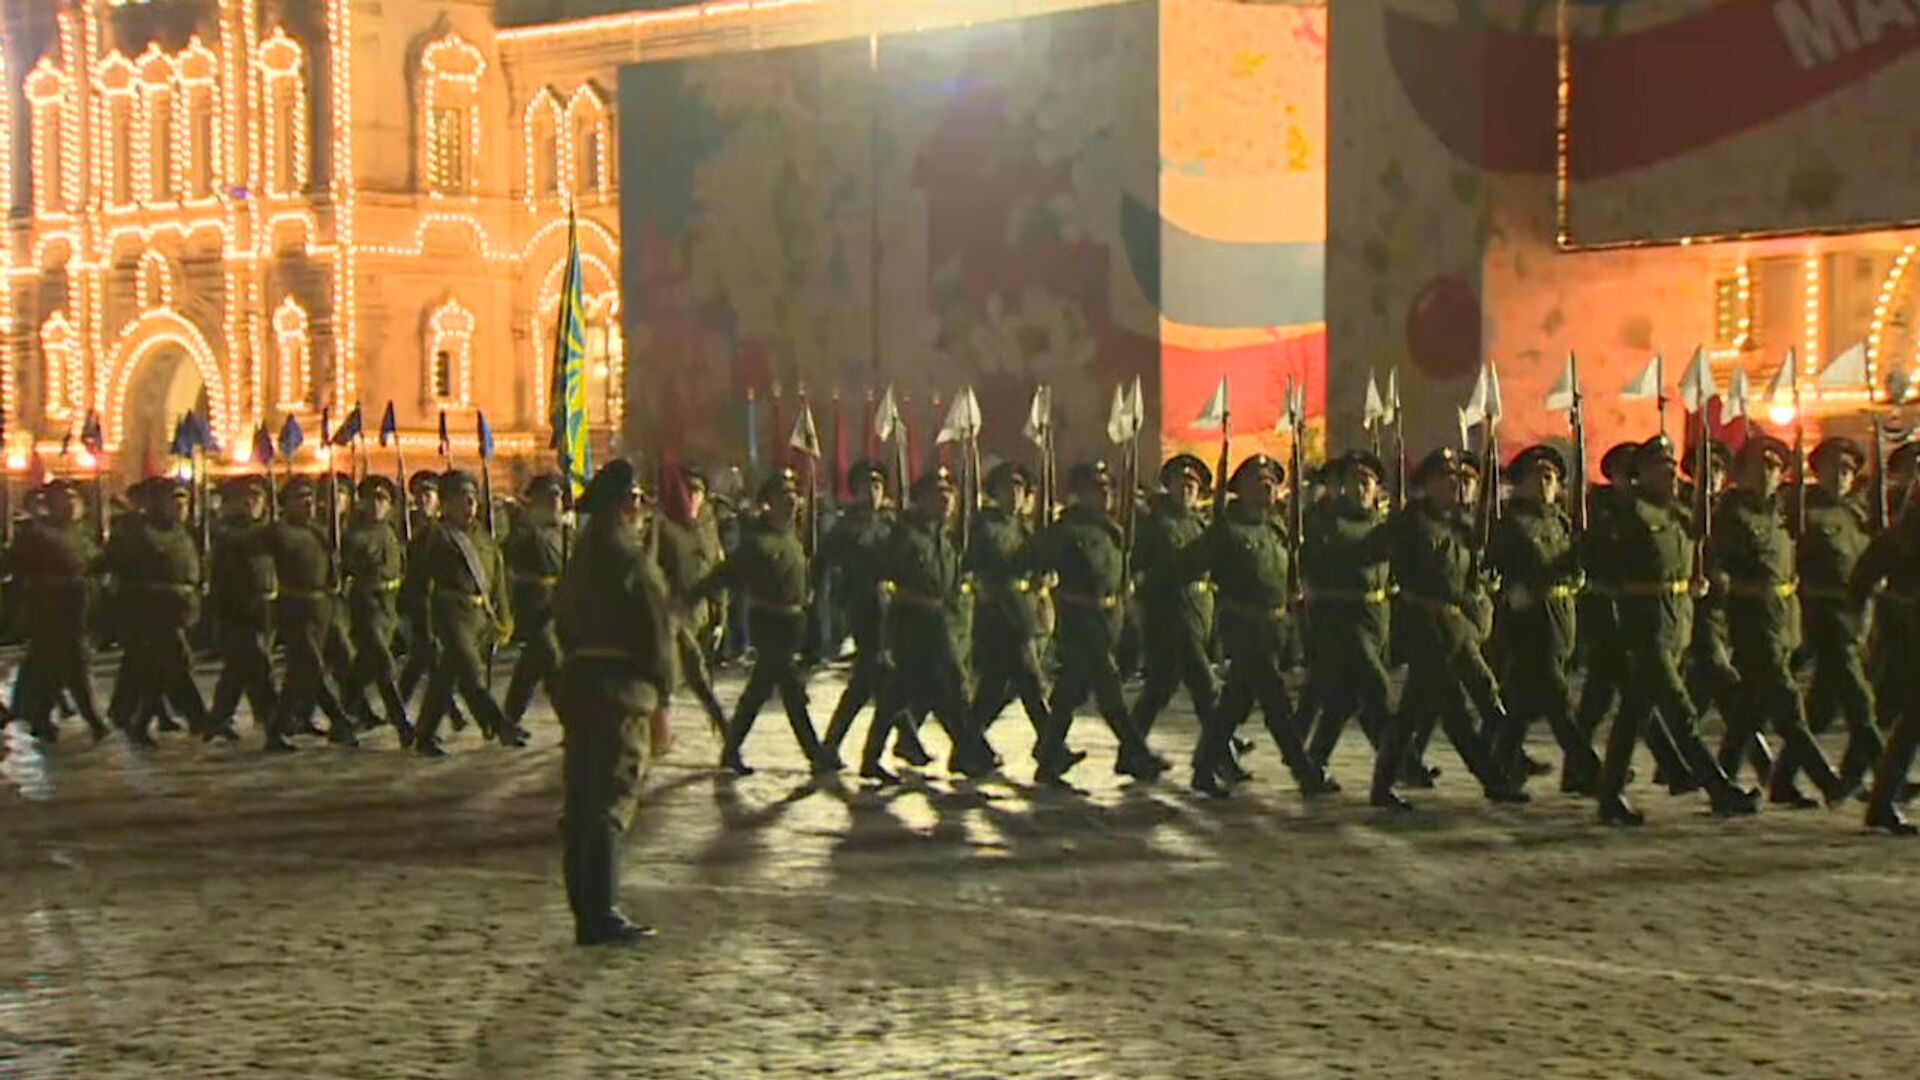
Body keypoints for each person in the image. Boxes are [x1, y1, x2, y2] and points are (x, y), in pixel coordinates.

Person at [1593, 437, 1759, 825]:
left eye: (1671, 467)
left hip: (1675, 628)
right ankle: (1720, 790)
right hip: (1646, 630)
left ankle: (1609, 796)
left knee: (1633, 715)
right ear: (1641, 475)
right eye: (1658, 468)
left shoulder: (1680, 517)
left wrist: (1695, 584)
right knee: (1681, 714)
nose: (1669, 473)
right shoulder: (1628, 516)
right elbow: (1599, 559)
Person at [554, 459, 675, 945]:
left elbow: (560, 619)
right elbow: (657, 635)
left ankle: (585, 906)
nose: (642, 510)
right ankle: (601, 912)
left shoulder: (581, 558)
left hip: (581, 682)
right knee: (611, 798)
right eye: (638, 501)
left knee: (581, 799)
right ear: (627, 506)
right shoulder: (631, 560)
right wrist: (663, 699)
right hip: (623, 691)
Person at [1370, 449, 1528, 811]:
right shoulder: (1410, 522)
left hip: (1458, 628)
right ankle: (1497, 776)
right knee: (1452, 710)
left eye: (1457, 479)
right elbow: (1387, 560)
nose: (1453, 485)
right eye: (1444, 478)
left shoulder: (1462, 527)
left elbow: (1472, 578)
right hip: (1426, 629)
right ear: (1426, 484)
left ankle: (1497, 773)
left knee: (1447, 707)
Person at [1711, 435, 1852, 807]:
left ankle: (1725, 782)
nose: (1767, 475)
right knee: (1787, 703)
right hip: (1753, 621)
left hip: (1785, 620)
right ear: (1742, 472)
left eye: (1774, 468)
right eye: (1759, 467)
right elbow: (1717, 563)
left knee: (1750, 708)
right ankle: (1829, 783)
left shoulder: (1783, 512)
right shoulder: (1731, 514)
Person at [1193, 454, 1334, 798]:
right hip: (1242, 625)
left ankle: (1204, 766)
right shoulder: (1226, 529)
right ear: (1240, 489)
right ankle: (1305, 774)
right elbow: (1190, 564)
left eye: (1271, 481)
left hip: (1274, 627)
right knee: (1276, 701)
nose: (1267, 486)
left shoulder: (1277, 527)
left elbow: (1286, 575)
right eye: (1259, 481)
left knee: (1234, 703)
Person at [858, 465, 999, 784]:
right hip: (912, 622)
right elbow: (879, 566)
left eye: (949, 495)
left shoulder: (944, 539)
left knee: (919, 693)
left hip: (938, 621)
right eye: (938, 496)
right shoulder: (905, 534)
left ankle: (963, 752)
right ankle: (968, 752)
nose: (946, 501)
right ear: (920, 499)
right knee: (940, 690)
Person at [1031, 462, 1166, 786]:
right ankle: (1137, 753)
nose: (1105, 494)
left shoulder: (1112, 530)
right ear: (1081, 493)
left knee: (1068, 693)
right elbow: (1037, 559)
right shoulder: (1066, 530)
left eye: (1108, 488)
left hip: (1108, 621)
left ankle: (1048, 757)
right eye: (1097, 489)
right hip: (1080, 623)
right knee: (1110, 693)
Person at [1485, 445, 1602, 794]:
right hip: (1529, 624)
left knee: (1520, 707)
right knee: (1557, 702)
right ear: (1519, 483)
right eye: (1539, 476)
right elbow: (1494, 566)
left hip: (1561, 620)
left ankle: (1498, 771)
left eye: (1551, 477)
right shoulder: (1510, 524)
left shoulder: (1561, 521)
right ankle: (1593, 771)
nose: (1546, 483)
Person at [702, 468, 829, 774]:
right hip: (769, 623)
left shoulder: (793, 538)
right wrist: (693, 596)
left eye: (793, 495)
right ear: (768, 502)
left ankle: (732, 750)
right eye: (783, 495)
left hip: (792, 623)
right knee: (787, 689)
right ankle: (815, 754)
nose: (791, 500)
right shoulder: (756, 541)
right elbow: (725, 573)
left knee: (763, 690)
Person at [408, 470, 517, 756]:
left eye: (473, 499)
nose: (470, 505)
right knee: (471, 670)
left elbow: (496, 579)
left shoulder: (483, 536)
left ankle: (424, 734)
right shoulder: (433, 536)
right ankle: (500, 723)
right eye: (462, 499)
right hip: (449, 613)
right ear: (446, 504)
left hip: (479, 615)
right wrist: (421, 625)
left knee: (446, 676)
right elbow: (416, 582)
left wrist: (503, 617)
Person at [1302, 451, 1397, 773]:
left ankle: (1314, 762)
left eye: (1367, 482)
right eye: (1354, 481)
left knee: (1344, 698)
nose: (1360, 488)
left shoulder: (1383, 523)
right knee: (1379, 689)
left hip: (1376, 618)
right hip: (1344, 618)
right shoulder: (1329, 521)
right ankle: (1398, 762)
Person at [1797, 436, 1880, 791]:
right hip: (1824, 614)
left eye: (1848, 470)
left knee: (1821, 708)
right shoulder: (1804, 512)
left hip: (1855, 617)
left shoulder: (1856, 514)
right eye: (1835, 468)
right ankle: (1884, 777)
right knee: (1860, 702)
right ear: (1818, 471)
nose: (1842, 477)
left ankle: (1784, 777)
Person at [106, 478, 215, 745]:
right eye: (173, 501)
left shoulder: (183, 533)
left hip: (178, 610)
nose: (180, 507)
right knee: (173, 663)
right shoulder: (139, 533)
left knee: (157, 668)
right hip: (152, 612)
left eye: (184, 501)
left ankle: (137, 719)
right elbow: (119, 569)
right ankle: (197, 717)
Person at [1128, 455, 1220, 768]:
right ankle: (1218, 754)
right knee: (1205, 686)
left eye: (1193, 486)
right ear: (1169, 487)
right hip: (1168, 614)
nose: (1187, 491)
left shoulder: (1199, 524)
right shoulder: (1155, 523)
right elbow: (1138, 565)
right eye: (1182, 485)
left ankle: (1130, 749)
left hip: (1195, 613)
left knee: (1160, 687)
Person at [817, 461, 909, 769]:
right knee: (874, 674)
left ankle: (831, 748)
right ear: (854, 491)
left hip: (887, 604)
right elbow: (823, 561)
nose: (873, 493)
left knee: (876, 679)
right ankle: (893, 746)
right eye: (867, 487)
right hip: (861, 605)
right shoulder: (846, 527)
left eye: (878, 487)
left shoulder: (889, 523)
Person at [6, 480, 108, 742]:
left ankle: (80, 716)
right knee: (51, 665)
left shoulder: (79, 533)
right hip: (48, 607)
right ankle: (47, 716)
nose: (71, 505)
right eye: (64, 500)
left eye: (73, 500)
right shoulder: (35, 533)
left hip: (76, 606)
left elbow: (92, 561)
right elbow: (18, 568)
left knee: (73, 663)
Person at [261, 478, 356, 751]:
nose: (307, 503)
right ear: (286, 503)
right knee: (310, 667)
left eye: (310, 498)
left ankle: (280, 728)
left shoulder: (319, 531)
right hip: (295, 607)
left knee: (299, 673)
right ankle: (340, 721)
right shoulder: (277, 533)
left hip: (322, 607)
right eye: (299, 497)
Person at [967, 462, 1053, 748]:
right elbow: (1004, 559)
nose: (1014, 494)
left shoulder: (1023, 527)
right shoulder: (987, 526)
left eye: (1019, 489)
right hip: (999, 616)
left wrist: (1046, 570)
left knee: (995, 689)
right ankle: (1051, 747)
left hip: (1022, 612)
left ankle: (968, 743)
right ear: (996, 492)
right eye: (1008, 488)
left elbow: (1034, 565)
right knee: (1031, 681)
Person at [651, 465, 733, 744]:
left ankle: (722, 730)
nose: (692, 496)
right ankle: (725, 731)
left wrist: (720, 615)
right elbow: (649, 567)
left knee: (697, 677)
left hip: (701, 613)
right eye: (688, 490)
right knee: (679, 673)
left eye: (698, 491)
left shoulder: (708, 528)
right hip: (672, 612)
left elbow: (718, 570)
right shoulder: (662, 525)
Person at [340, 474, 414, 745]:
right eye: (370, 500)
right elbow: (353, 559)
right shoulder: (355, 532)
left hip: (389, 608)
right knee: (384, 665)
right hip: (367, 604)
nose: (376, 505)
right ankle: (402, 724)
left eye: (382, 500)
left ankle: (343, 719)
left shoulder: (389, 530)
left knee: (362, 670)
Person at [205, 476, 280, 738]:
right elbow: (219, 580)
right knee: (258, 665)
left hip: (265, 609)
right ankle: (272, 720)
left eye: (257, 498)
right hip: (238, 610)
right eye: (245, 499)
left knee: (238, 669)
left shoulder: (268, 531)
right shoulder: (229, 535)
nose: (251, 503)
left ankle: (219, 719)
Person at [502, 474, 568, 729]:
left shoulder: (563, 532)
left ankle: (508, 719)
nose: (555, 501)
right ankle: (571, 723)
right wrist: (521, 521)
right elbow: (508, 555)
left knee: (535, 665)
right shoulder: (526, 530)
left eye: (559, 496)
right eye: (549, 496)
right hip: (534, 604)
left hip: (559, 604)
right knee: (551, 658)